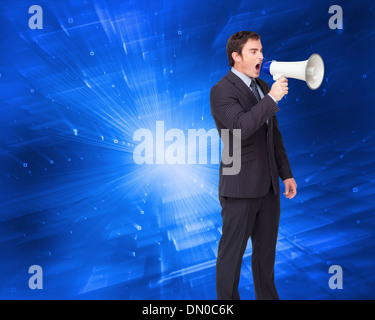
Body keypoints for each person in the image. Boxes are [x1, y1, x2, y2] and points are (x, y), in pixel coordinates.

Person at [210, 31, 297, 300]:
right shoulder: (221, 90)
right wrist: (271, 99)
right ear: (236, 57)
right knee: (231, 258)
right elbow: (241, 128)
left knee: (265, 259)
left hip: (269, 186)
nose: (261, 56)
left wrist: (286, 174)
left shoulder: (260, 86)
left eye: (261, 50)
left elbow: (274, 135)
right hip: (240, 188)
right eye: (253, 51)